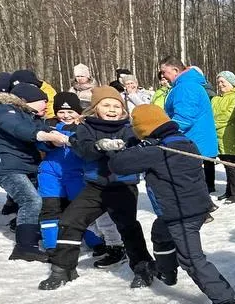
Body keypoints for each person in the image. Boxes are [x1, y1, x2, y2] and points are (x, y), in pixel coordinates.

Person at [108, 104, 235, 304]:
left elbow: (119, 164)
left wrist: (121, 148)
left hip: (183, 214)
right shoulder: (183, 142)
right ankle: (167, 272)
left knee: (191, 258)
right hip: (186, 209)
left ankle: (225, 301)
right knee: (160, 233)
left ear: (144, 129)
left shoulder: (158, 151)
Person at [38, 86, 155, 290]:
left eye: (116, 106)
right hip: (95, 187)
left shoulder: (129, 129)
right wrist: (98, 146)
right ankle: (62, 269)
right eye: (106, 105)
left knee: (128, 227)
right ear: (95, 108)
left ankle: (143, 268)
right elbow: (82, 149)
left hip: (122, 186)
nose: (112, 109)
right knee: (70, 221)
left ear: (123, 109)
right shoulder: (86, 128)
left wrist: (134, 147)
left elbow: (141, 152)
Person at [0, 83, 68, 261]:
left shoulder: (31, 116)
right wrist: (46, 136)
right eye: (43, 101)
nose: (47, 105)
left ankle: (28, 229)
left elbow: (41, 132)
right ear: (24, 101)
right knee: (31, 200)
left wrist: (54, 139)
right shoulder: (5, 112)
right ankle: (25, 247)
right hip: (6, 167)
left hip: (26, 166)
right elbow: (21, 130)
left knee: (40, 200)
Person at [37, 92, 122, 262]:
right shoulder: (49, 126)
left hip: (77, 175)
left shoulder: (84, 128)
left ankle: (96, 241)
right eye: (61, 111)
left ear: (79, 112)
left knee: (83, 210)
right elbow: (39, 143)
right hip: (51, 173)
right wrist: (49, 140)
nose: (66, 115)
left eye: (70, 111)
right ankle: (52, 246)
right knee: (50, 208)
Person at [161, 57, 220, 193]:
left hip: (193, 142)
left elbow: (183, 119)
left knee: (188, 183)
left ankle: (199, 211)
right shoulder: (186, 85)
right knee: (192, 182)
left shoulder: (186, 87)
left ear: (175, 70)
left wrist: (164, 133)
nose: (163, 76)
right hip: (193, 141)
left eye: (164, 72)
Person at [211, 71, 235, 204]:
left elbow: (228, 116)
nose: (220, 85)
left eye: (223, 82)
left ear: (231, 83)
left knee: (234, 165)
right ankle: (230, 190)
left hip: (232, 135)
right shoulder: (216, 99)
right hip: (220, 137)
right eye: (219, 82)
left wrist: (213, 124)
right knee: (226, 164)